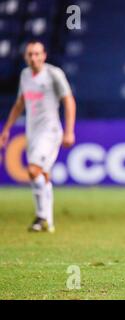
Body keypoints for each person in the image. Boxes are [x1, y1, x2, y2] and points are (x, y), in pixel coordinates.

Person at [0, 41, 76, 233]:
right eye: (30, 55)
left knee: (33, 171)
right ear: (26, 57)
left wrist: (69, 130)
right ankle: (47, 222)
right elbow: (20, 103)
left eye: (37, 54)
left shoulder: (54, 74)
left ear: (44, 55)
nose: (33, 58)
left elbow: (69, 101)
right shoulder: (25, 75)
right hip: (32, 131)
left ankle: (41, 216)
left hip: (50, 131)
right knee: (42, 175)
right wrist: (7, 129)